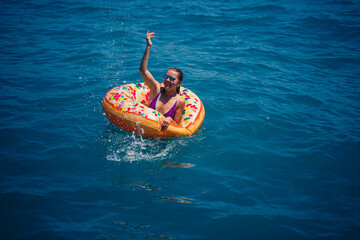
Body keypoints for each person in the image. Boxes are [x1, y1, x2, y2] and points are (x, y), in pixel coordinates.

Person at [139, 31, 185, 132]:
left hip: (162, 138)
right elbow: (143, 70)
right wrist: (148, 47)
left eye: (172, 79)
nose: (167, 80)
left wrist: (169, 119)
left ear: (179, 83)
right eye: (166, 76)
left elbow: (177, 124)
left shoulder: (179, 101)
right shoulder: (156, 88)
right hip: (143, 132)